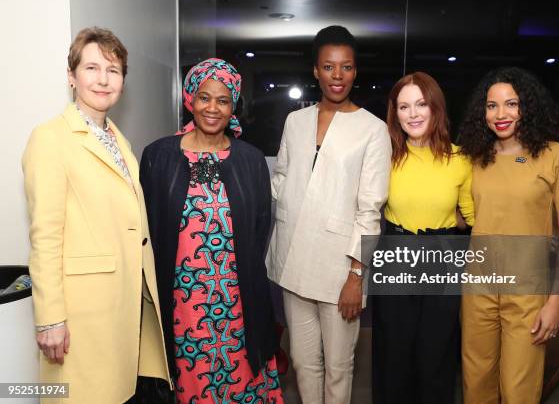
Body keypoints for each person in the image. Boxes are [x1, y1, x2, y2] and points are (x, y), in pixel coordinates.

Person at [22, 27, 169, 403]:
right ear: (71, 77)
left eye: (114, 70)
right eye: (91, 68)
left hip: (121, 305)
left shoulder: (119, 140)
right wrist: (50, 318)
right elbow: (45, 236)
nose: (103, 79)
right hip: (81, 312)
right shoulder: (51, 138)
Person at [140, 58, 283, 404]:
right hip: (183, 302)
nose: (213, 108)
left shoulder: (250, 160)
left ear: (233, 105)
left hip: (238, 298)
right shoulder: (159, 156)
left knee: (241, 381)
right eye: (205, 98)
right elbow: (148, 228)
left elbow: (261, 225)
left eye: (223, 100)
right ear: (190, 99)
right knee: (193, 381)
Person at [266, 25, 392, 404]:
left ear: (355, 72)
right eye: (329, 67)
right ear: (315, 71)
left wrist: (357, 275)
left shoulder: (373, 129)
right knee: (305, 365)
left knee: (339, 367)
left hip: (340, 267)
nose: (338, 76)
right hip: (294, 258)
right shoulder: (295, 121)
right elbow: (283, 175)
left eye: (346, 67)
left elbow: (370, 209)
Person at [457, 66, 559, 404]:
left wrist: (556, 301)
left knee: (519, 390)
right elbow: (464, 218)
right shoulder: (473, 158)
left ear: (527, 107)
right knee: (476, 383)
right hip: (478, 288)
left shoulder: (557, 156)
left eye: (511, 104)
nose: (500, 114)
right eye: (491, 106)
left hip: (529, 291)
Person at [372, 72, 474, 404]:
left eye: (421, 104)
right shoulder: (383, 156)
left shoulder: (461, 160)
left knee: (436, 355)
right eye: (404, 106)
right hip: (395, 254)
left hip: (442, 258)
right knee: (394, 356)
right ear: (394, 113)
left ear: (436, 108)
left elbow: (473, 218)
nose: (413, 114)